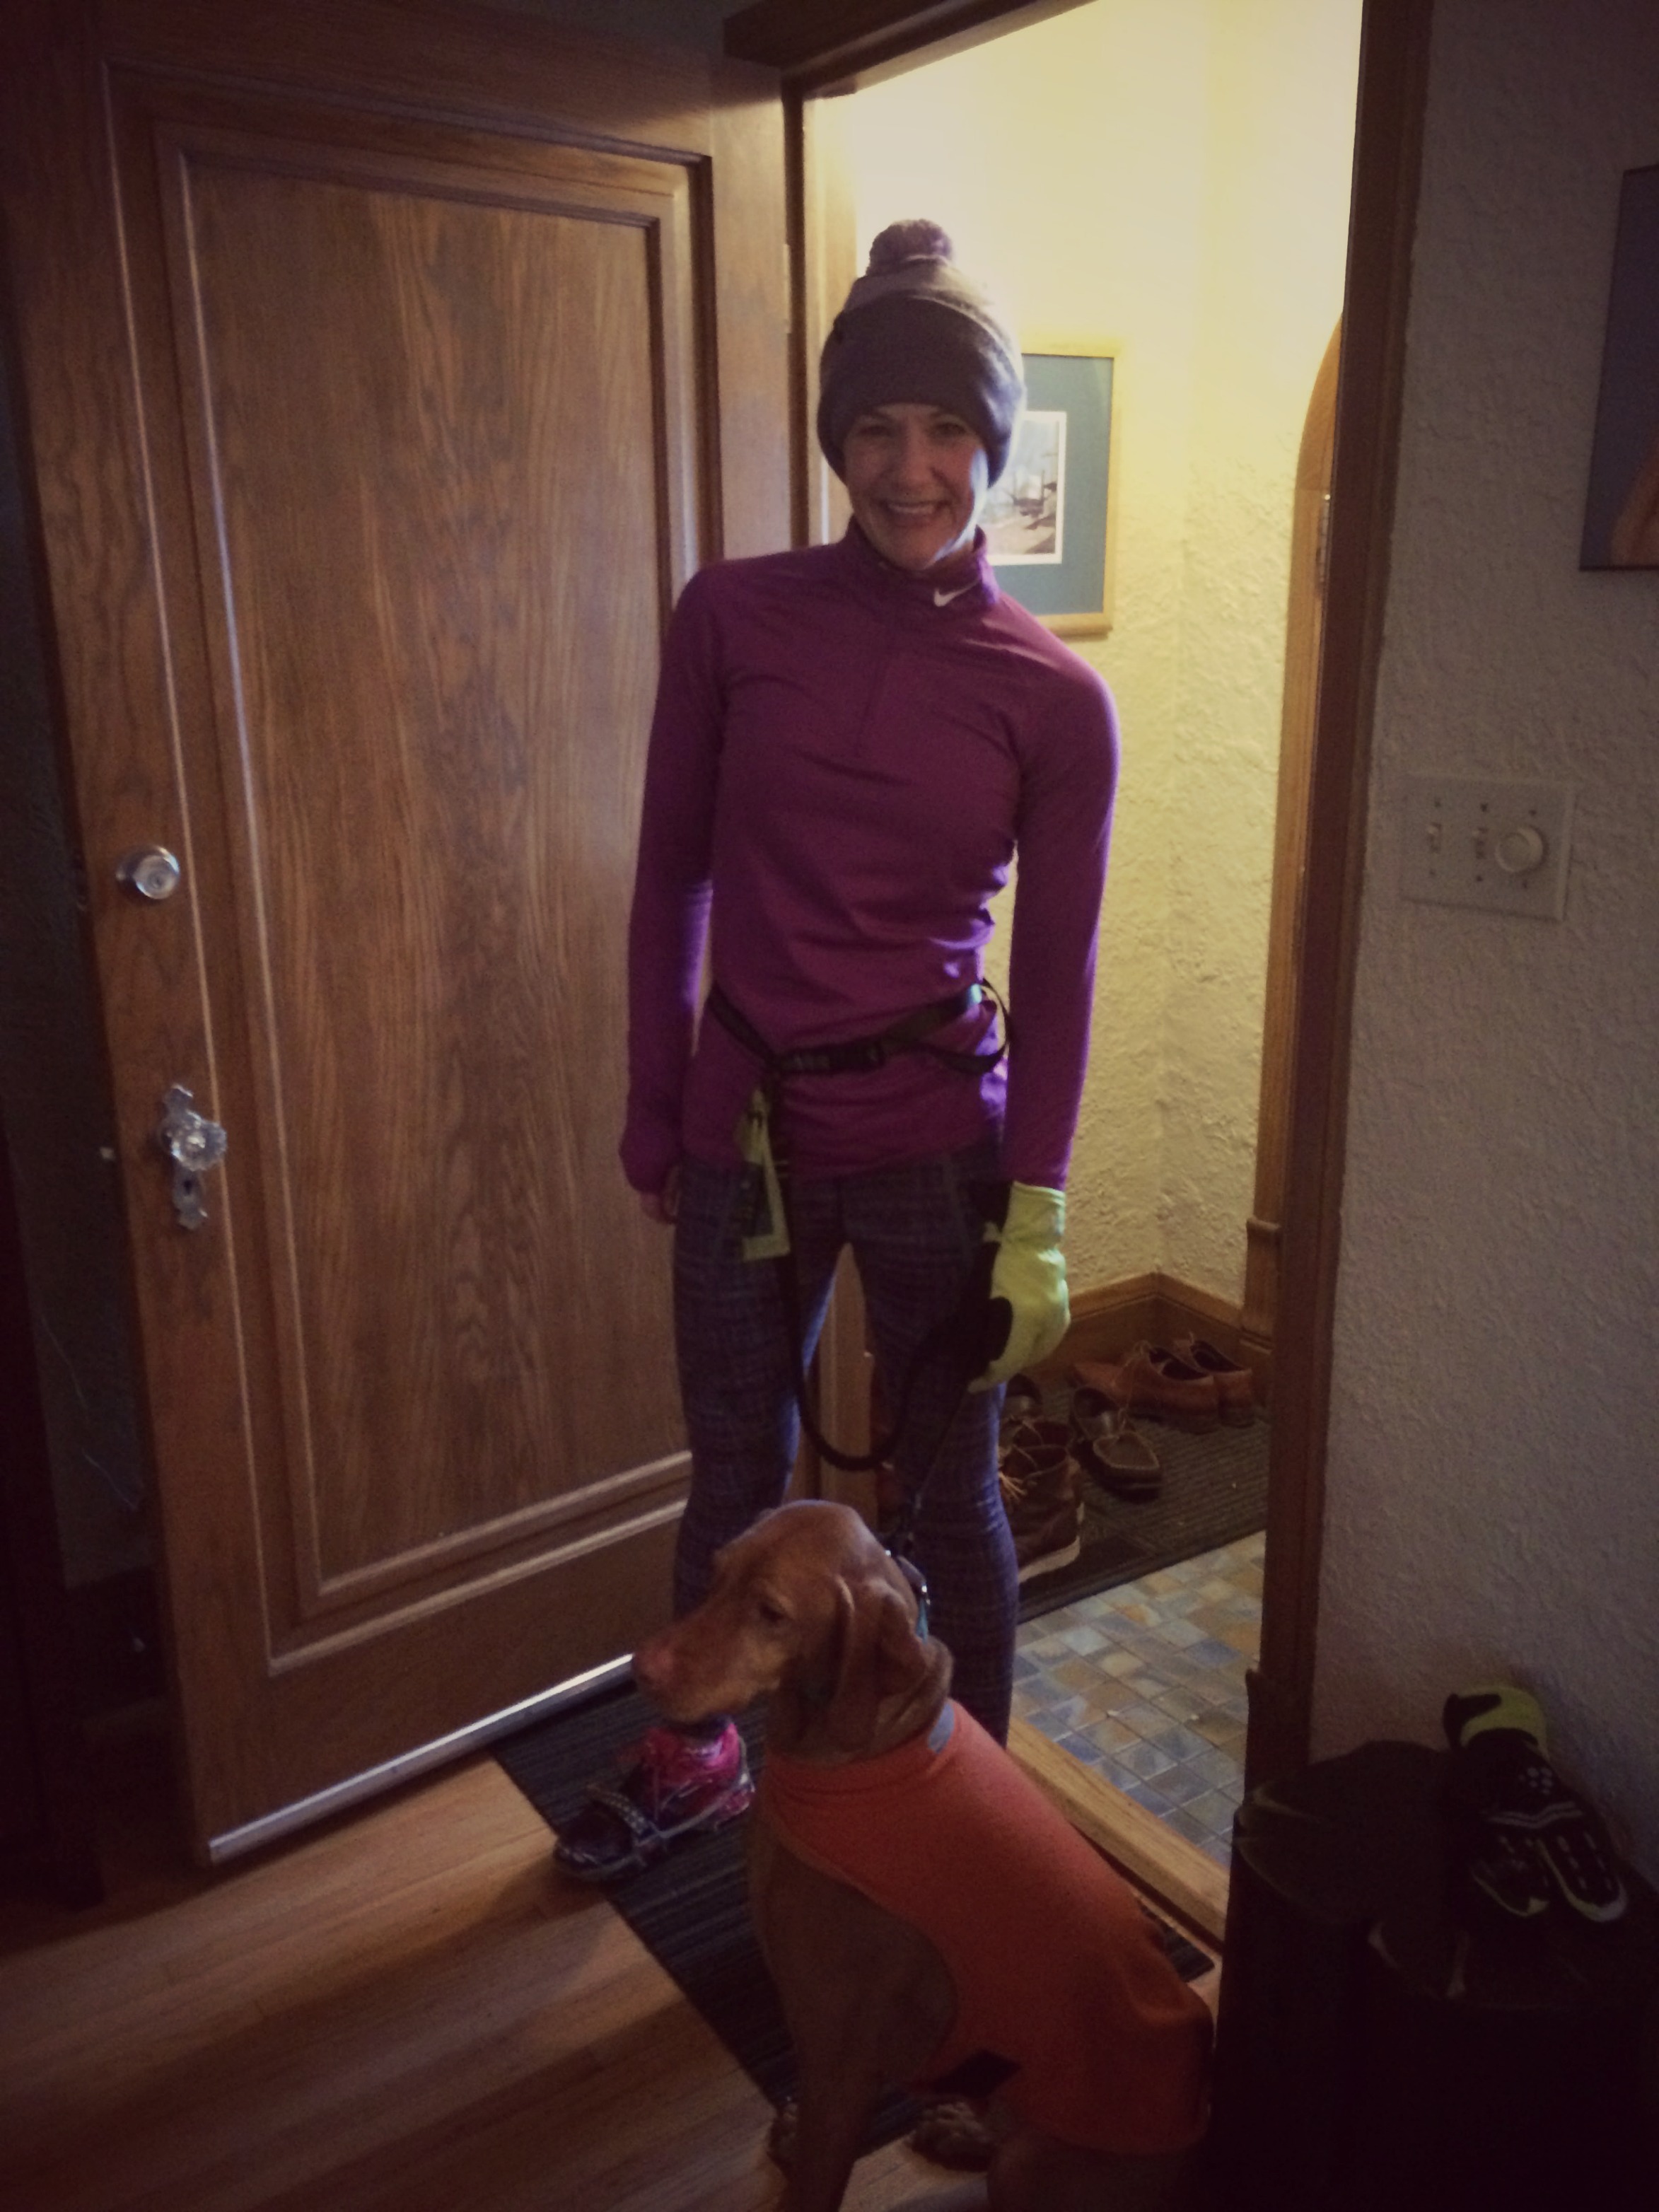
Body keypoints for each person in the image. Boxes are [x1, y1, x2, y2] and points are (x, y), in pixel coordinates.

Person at [554, 219, 1119, 1883]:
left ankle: (973, 1805)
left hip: (942, 1142)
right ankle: (696, 1757)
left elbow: (1060, 972)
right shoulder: (733, 618)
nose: (910, 466)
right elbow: (672, 876)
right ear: (837, 442)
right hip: (746, 1132)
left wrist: (1041, 1208)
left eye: (947, 429)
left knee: (950, 1502)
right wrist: (658, 1109)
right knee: (733, 1472)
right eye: (876, 428)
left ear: (992, 445)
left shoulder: (1053, 698)